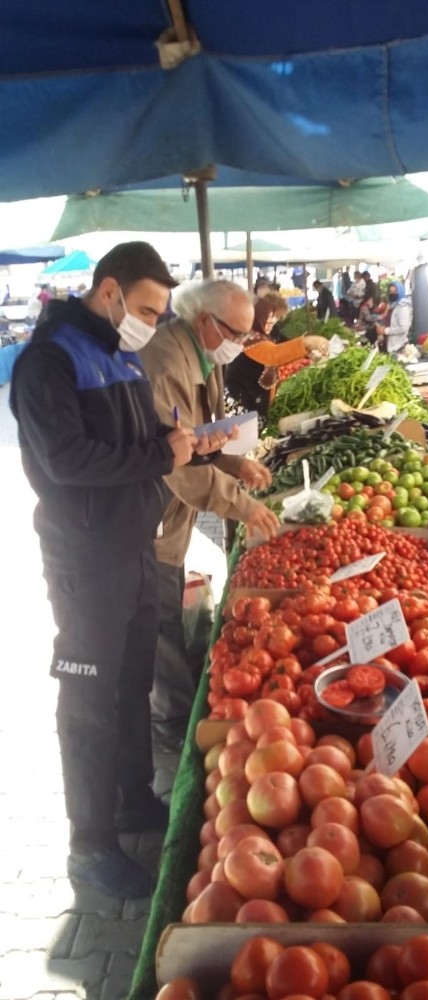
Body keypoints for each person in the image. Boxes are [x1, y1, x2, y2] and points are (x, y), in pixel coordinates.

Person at [9, 241, 204, 899]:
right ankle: (88, 845)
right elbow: (66, 461)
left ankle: (131, 800)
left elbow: (145, 442)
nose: (152, 321)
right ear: (110, 290)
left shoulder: (118, 355)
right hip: (84, 561)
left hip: (134, 550)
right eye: (147, 307)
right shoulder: (47, 362)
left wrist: (184, 446)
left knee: (132, 682)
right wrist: (158, 455)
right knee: (88, 702)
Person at [140, 280, 280, 750]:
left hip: (172, 515)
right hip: (150, 513)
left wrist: (234, 462)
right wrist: (242, 504)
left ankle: (171, 712)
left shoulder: (202, 356)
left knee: (167, 605)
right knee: (160, 617)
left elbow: (200, 440)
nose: (241, 344)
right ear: (204, 322)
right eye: (237, 334)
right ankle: (173, 725)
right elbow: (178, 466)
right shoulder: (165, 364)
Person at [225, 292, 327, 420]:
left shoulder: (263, 334)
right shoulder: (249, 337)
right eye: (267, 320)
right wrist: (306, 342)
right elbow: (273, 355)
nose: (271, 324)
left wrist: (307, 355)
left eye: (274, 321)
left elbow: (282, 348)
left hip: (253, 400)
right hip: (240, 404)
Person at [372, 279, 413, 353]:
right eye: (390, 292)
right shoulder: (393, 305)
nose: (392, 294)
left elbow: (403, 328)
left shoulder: (403, 307)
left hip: (398, 347)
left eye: (395, 291)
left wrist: (385, 330)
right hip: (390, 344)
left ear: (400, 292)